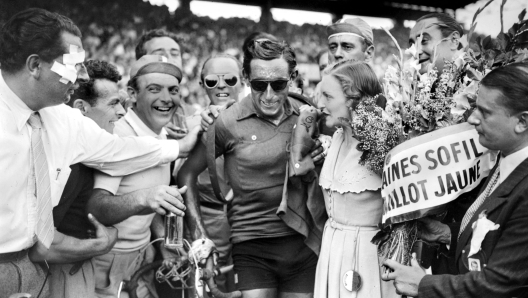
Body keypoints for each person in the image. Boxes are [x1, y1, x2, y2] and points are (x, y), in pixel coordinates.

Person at [0, 9, 198, 298]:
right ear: (34, 65)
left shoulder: (61, 119)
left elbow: (118, 150)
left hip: (35, 270)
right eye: (73, 65)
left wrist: (179, 147)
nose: (81, 75)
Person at [182, 39, 324, 298]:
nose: (269, 95)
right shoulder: (226, 121)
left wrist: (323, 149)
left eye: (279, 85)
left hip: (302, 243)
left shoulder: (309, 114)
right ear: (247, 78)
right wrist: (201, 239)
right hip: (251, 245)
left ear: (291, 78)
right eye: (259, 85)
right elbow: (186, 174)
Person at [382, 62, 528, 298]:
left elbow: (498, 283)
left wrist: (423, 285)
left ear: (522, 122)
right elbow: (496, 236)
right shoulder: (505, 159)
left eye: (485, 112)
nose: (472, 119)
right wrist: (446, 233)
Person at [87, 55, 186, 298]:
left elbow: (146, 198)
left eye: (173, 90)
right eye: (154, 89)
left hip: (142, 256)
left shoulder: (161, 132)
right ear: (132, 94)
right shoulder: (118, 133)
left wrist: (161, 238)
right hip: (107, 262)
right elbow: (96, 207)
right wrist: (144, 198)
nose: (166, 98)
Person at [313, 60, 398, 298]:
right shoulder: (338, 136)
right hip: (332, 249)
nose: (320, 104)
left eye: (328, 96)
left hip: (371, 255)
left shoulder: (385, 140)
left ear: (353, 99)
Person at [47, 60, 125, 298]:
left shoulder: (90, 148)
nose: (122, 111)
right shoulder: (71, 161)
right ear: (81, 107)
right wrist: (100, 244)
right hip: (63, 273)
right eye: (114, 104)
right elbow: (44, 242)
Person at [178, 54, 245, 293]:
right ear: (201, 84)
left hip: (250, 219)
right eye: (212, 81)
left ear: (243, 79)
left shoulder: (257, 118)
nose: (221, 86)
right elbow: (179, 175)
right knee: (206, 285)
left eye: (229, 79)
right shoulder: (190, 125)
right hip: (209, 216)